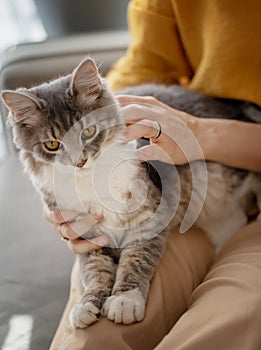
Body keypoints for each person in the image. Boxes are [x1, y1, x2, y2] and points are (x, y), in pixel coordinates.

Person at [46, 1, 261, 349]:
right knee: (96, 335)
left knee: (230, 319)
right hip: (181, 186)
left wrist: (203, 134)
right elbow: (140, 68)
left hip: (230, 163)